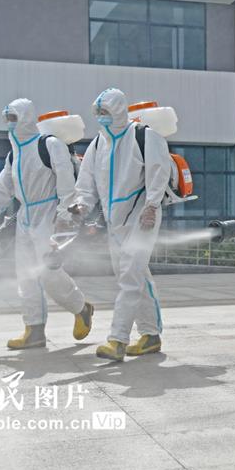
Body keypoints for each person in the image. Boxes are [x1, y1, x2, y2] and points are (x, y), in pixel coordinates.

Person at [0, 99, 94, 349]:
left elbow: (66, 182)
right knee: (26, 275)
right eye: (7, 119)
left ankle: (81, 308)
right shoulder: (14, 154)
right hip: (25, 216)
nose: (10, 124)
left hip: (48, 214)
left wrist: (64, 216)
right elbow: (1, 190)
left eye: (13, 118)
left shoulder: (49, 144)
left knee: (48, 272)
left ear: (26, 117)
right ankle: (34, 329)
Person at [70, 88, 171, 362]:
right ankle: (150, 335)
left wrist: (152, 205)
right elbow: (87, 183)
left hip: (142, 217)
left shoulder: (143, 136)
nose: (101, 117)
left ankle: (117, 340)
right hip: (115, 222)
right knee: (135, 276)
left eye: (105, 112)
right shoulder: (98, 145)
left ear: (118, 110)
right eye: (98, 112)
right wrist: (81, 205)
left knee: (129, 278)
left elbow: (159, 171)